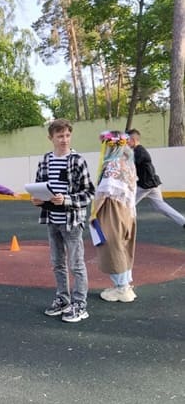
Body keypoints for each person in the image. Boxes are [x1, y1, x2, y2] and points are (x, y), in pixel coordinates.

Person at [32, 119, 95, 324]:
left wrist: (67, 199)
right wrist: (37, 199)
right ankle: (63, 299)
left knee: (76, 264)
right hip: (52, 219)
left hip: (72, 221)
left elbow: (89, 193)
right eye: (60, 136)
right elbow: (40, 187)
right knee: (57, 263)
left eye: (67, 135)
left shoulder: (77, 161)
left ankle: (80, 304)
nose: (64, 140)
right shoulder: (45, 160)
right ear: (51, 138)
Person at [93, 131, 138, 303]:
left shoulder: (112, 164)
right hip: (127, 210)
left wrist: (93, 213)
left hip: (112, 209)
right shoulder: (129, 163)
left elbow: (104, 191)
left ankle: (121, 288)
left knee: (112, 246)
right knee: (122, 245)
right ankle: (124, 285)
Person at [127, 129, 185, 229]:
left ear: (133, 140)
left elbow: (130, 165)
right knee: (160, 206)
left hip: (145, 185)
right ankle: (183, 222)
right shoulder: (137, 151)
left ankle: (124, 227)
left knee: (127, 204)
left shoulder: (139, 151)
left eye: (127, 140)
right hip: (152, 184)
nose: (126, 143)